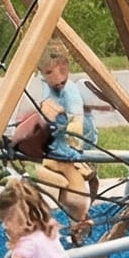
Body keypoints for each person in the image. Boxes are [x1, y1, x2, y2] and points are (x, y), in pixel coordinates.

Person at [32, 39, 97, 243]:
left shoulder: (70, 92)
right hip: (53, 147)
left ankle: (77, 227)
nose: (49, 77)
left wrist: (73, 146)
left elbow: (76, 121)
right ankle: (63, 226)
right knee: (58, 191)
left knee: (76, 198)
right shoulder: (48, 86)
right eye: (46, 73)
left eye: (52, 72)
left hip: (71, 145)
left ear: (65, 68)